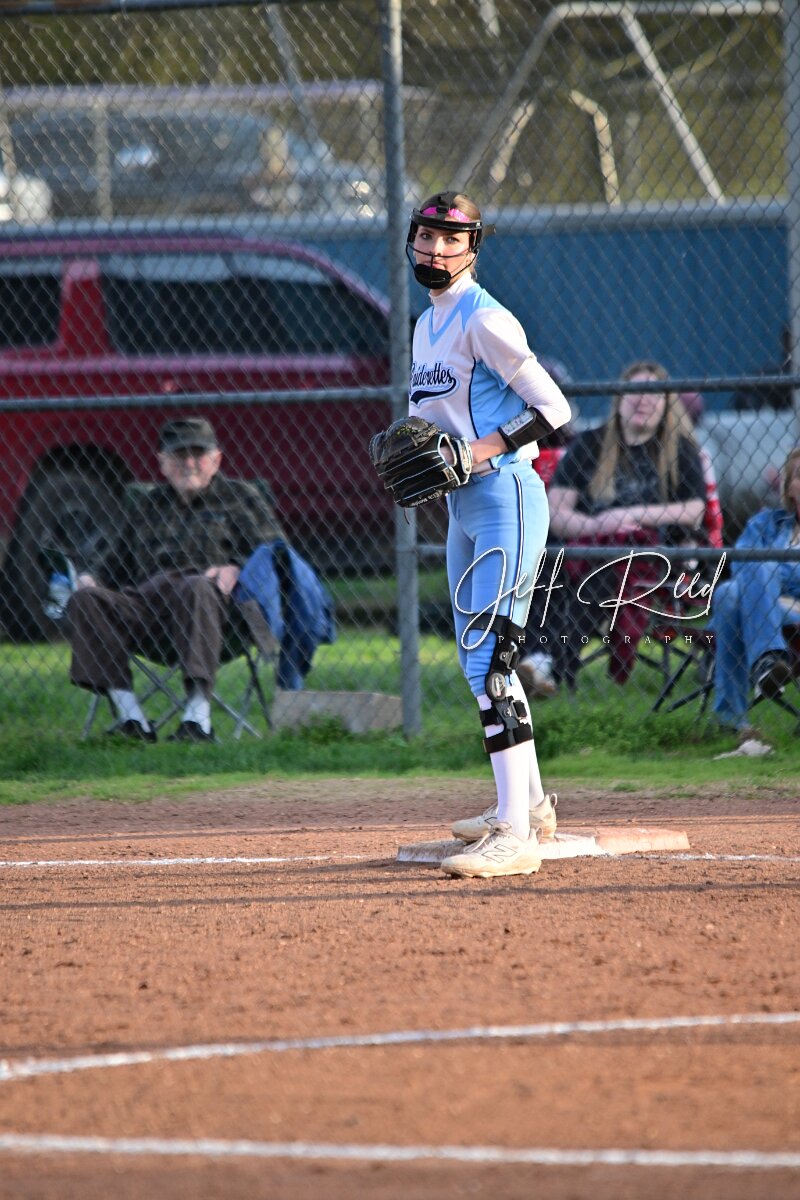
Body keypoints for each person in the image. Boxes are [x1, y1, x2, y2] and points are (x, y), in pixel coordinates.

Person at [399, 190, 571, 879]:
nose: (437, 249)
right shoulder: (426, 323)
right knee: (480, 659)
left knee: (491, 662)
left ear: (473, 247)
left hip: (506, 497)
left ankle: (513, 835)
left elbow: (553, 408)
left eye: (452, 239)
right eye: (427, 236)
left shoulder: (485, 318)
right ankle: (527, 807)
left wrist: (480, 449)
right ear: (412, 241)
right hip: (464, 508)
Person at [68, 417, 284, 742]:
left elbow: (277, 553)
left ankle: (198, 720)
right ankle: (132, 720)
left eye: (198, 454)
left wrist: (237, 568)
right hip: (150, 610)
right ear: (163, 463)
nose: (189, 463)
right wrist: (90, 577)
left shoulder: (242, 497)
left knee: (195, 586)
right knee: (86, 600)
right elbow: (113, 562)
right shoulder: (146, 505)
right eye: (179, 455)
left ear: (216, 459)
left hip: (217, 613)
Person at [522, 360, 706, 692]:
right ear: (619, 399)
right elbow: (557, 510)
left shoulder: (681, 448)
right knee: (545, 563)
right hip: (589, 544)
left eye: (653, 394)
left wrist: (631, 516)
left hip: (650, 556)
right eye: (635, 392)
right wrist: (596, 525)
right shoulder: (590, 444)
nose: (643, 400)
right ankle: (536, 660)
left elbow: (693, 510)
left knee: (603, 574)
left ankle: (549, 667)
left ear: (666, 404)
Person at [711, 447, 800, 735]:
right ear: (789, 489)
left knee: (732, 593)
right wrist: (769, 581)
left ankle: (730, 716)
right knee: (730, 592)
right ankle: (768, 660)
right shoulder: (765, 522)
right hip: (764, 609)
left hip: (794, 613)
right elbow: (741, 566)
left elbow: (749, 576)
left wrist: (770, 580)